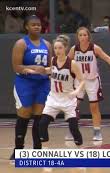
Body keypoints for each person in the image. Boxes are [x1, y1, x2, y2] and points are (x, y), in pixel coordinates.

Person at [66, 27, 110, 141]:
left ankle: (97, 131)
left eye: (85, 35)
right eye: (80, 35)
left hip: (92, 81)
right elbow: (66, 63)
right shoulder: (74, 49)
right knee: (73, 106)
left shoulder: (94, 48)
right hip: (79, 81)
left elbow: (108, 58)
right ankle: (72, 130)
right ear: (77, 37)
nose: (83, 37)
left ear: (88, 36)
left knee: (94, 107)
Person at [25, 35, 85, 146]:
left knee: (73, 128)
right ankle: (44, 141)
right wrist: (36, 71)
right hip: (53, 98)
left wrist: (77, 91)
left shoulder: (72, 63)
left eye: (60, 48)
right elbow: (50, 70)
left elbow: (82, 80)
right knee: (42, 124)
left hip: (68, 99)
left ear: (65, 48)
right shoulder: (53, 60)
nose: (57, 50)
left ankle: (78, 141)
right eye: (55, 48)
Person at [10, 15, 52, 160]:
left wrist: (47, 71)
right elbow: (16, 66)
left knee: (39, 117)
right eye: (33, 24)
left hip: (42, 83)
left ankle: (37, 150)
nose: (36, 27)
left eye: (39, 25)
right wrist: (33, 68)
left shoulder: (46, 44)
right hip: (25, 83)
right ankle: (18, 150)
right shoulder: (21, 44)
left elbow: (50, 66)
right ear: (26, 27)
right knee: (24, 114)